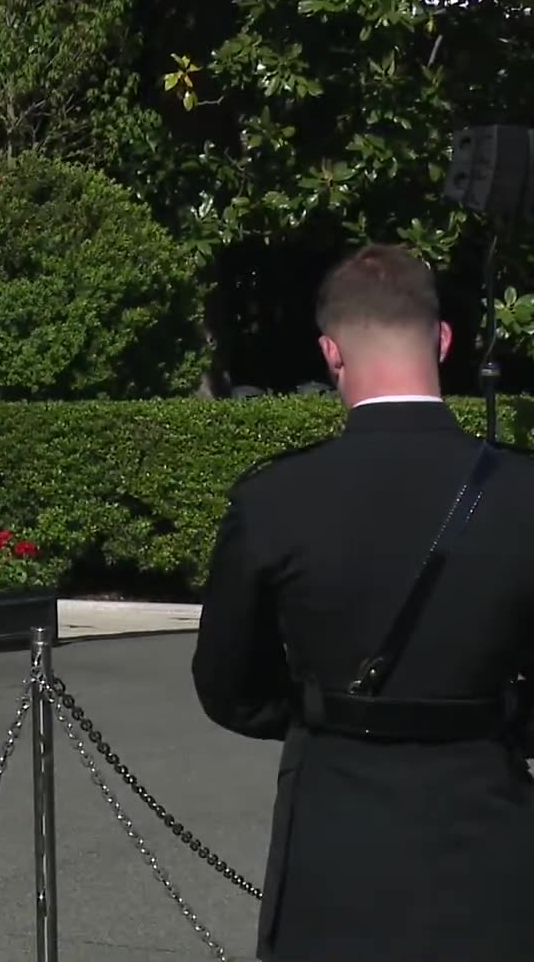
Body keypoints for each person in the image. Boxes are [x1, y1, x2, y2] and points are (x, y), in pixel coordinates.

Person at [193, 243, 534, 962]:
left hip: (335, 837)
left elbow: (228, 686)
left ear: (331, 353)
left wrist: (324, 712)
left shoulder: (276, 498)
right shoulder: (522, 494)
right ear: (443, 340)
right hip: (491, 835)